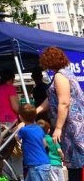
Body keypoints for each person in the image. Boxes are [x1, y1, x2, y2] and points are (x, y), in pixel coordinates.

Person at [37, 46, 84, 181]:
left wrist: (57, 128)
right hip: (75, 125)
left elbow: (63, 102)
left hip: (72, 127)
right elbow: (53, 97)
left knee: (77, 166)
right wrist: (38, 110)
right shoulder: (66, 73)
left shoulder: (59, 76)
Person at [16, 104, 50, 181]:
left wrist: (18, 127)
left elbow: (17, 138)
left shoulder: (24, 130)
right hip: (41, 163)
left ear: (20, 117)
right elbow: (45, 143)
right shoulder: (39, 128)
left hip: (36, 166)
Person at [0, 69, 20, 138]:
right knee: (14, 147)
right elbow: (15, 107)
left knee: (3, 147)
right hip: (10, 122)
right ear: (12, 79)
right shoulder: (10, 88)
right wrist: (25, 113)